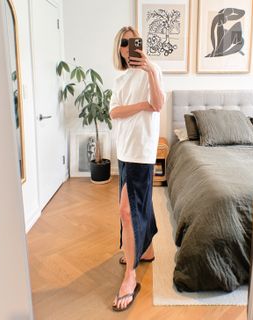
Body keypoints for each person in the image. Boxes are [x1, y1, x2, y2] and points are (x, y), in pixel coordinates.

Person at [109, 26, 165, 312]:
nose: (130, 47)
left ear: (141, 44)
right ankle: (146, 250)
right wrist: (139, 105)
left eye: (134, 42)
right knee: (139, 203)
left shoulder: (152, 70)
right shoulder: (119, 80)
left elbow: (157, 105)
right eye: (124, 43)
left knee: (126, 209)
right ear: (119, 49)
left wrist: (151, 73)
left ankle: (130, 275)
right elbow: (113, 112)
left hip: (142, 151)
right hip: (124, 149)